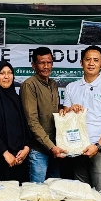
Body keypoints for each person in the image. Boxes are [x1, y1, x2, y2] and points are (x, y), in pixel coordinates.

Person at [61, 45, 101, 190]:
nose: (91, 63)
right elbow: (64, 117)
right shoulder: (71, 87)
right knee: (82, 193)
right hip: (77, 148)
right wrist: (70, 109)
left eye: (96, 60)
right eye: (88, 59)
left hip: (100, 148)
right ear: (81, 63)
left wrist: (98, 146)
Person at [21, 47, 64, 182]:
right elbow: (32, 121)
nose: (46, 66)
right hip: (39, 150)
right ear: (33, 65)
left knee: (54, 191)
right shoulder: (29, 85)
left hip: (56, 148)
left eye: (49, 62)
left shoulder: (53, 84)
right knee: (37, 192)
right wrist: (51, 147)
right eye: (41, 63)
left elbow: (54, 110)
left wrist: (65, 110)